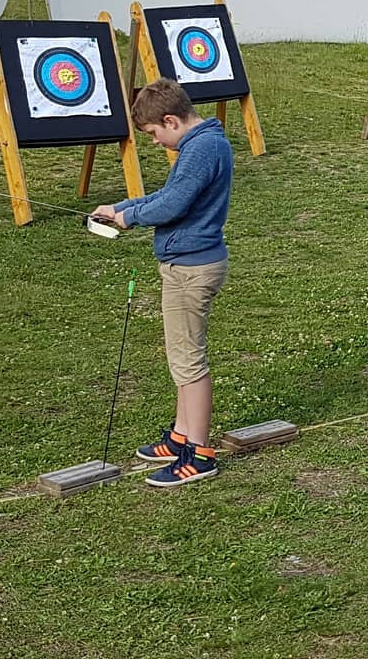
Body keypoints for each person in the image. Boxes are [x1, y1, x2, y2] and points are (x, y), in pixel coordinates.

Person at [94, 78, 234, 486]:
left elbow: (173, 204)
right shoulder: (199, 145)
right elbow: (169, 193)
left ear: (171, 120)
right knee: (180, 358)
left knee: (189, 362)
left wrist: (128, 218)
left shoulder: (202, 148)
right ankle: (180, 436)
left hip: (192, 269)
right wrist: (122, 206)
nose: (154, 142)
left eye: (154, 133)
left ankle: (200, 454)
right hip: (184, 265)